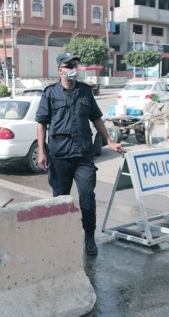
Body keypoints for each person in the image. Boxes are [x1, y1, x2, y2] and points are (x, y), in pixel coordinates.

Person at [36, 52, 125, 256]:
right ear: (60, 69)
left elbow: (97, 119)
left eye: (75, 65)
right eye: (69, 65)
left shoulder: (85, 92)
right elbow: (41, 123)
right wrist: (42, 152)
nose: (73, 68)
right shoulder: (50, 93)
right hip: (59, 156)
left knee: (87, 197)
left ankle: (89, 238)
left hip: (83, 155)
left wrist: (109, 142)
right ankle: (60, 238)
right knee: (60, 199)